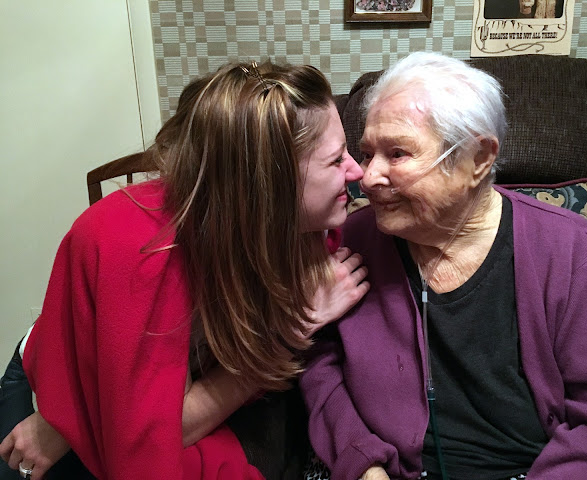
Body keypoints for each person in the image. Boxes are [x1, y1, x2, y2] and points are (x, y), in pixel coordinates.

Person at [0, 61, 369, 480]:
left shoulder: (308, 230)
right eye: (336, 159)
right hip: (56, 394)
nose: (358, 172)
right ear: (269, 185)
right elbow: (157, 436)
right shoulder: (139, 249)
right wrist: (294, 325)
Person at [299, 52, 587, 480]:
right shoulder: (353, 241)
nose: (366, 178)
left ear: (478, 159)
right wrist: (363, 462)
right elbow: (319, 366)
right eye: (367, 154)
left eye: (398, 153)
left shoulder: (566, 247)